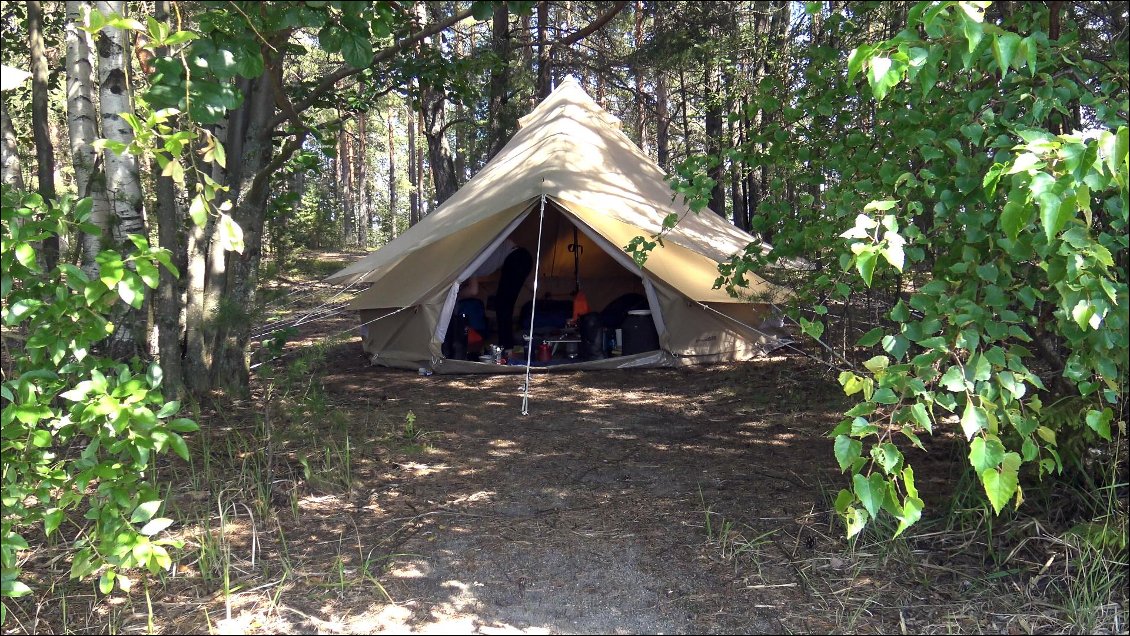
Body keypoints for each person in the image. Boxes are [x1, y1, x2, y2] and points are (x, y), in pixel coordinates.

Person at [464, 238, 533, 350]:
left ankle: (506, 348)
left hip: (516, 258)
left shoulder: (469, 259)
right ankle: (508, 346)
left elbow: (473, 290)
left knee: (502, 305)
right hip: (521, 256)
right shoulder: (475, 252)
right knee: (504, 304)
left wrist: (456, 297)